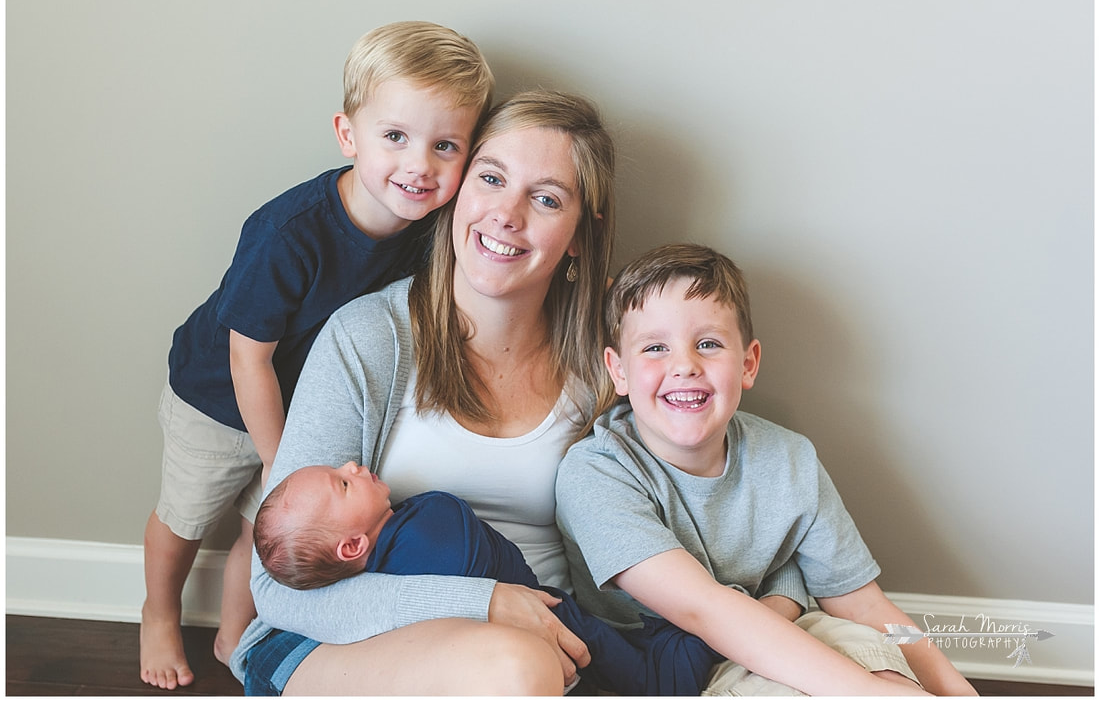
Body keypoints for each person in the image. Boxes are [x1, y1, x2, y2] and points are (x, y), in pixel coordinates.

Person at [228, 90, 802, 696]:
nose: (507, 214)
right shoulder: (369, 338)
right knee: (515, 666)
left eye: (547, 198)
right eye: (492, 178)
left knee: (529, 666)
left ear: (580, 233)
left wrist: (784, 596)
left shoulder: (611, 355)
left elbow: (730, 483)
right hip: (350, 641)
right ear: (458, 191)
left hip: (560, 645)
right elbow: (276, 586)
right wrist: (484, 601)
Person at [140, 21, 493, 690]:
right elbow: (249, 359)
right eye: (395, 137)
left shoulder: (429, 234)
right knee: (186, 515)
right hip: (217, 396)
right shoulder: (289, 232)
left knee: (266, 529)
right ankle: (158, 611)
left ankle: (235, 630)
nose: (419, 165)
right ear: (347, 134)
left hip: (304, 401)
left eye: (445, 146)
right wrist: (282, 461)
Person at [556, 243, 978, 696]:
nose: (684, 366)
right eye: (655, 347)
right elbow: (704, 610)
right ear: (618, 371)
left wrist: (954, 689)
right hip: (664, 666)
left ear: (748, 363)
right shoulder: (596, 472)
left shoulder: (788, 458)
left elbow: (864, 606)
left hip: (774, 635)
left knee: (874, 652)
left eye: (708, 344)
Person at [251, 461, 724, 695]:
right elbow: (457, 532)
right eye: (343, 483)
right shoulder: (427, 532)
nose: (351, 464)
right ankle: (708, 633)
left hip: (533, 613)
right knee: (654, 679)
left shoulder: (395, 541)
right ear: (352, 547)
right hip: (546, 615)